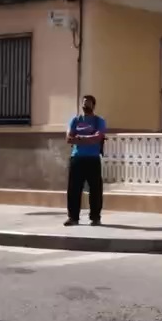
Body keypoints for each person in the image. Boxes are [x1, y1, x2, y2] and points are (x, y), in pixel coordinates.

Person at [66, 95, 107, 226]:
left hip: (93, 159)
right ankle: (73, 217)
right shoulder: (75, 120)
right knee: (74, 189)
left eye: (88, 104)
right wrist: (87, 138)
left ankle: (95, 217)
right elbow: (68, 138)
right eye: (84, 103)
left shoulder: (98, 121)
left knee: (95, 189)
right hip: (77, 158)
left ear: (93, 105)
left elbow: (98, 137)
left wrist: (79, 138)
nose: (85, 106)